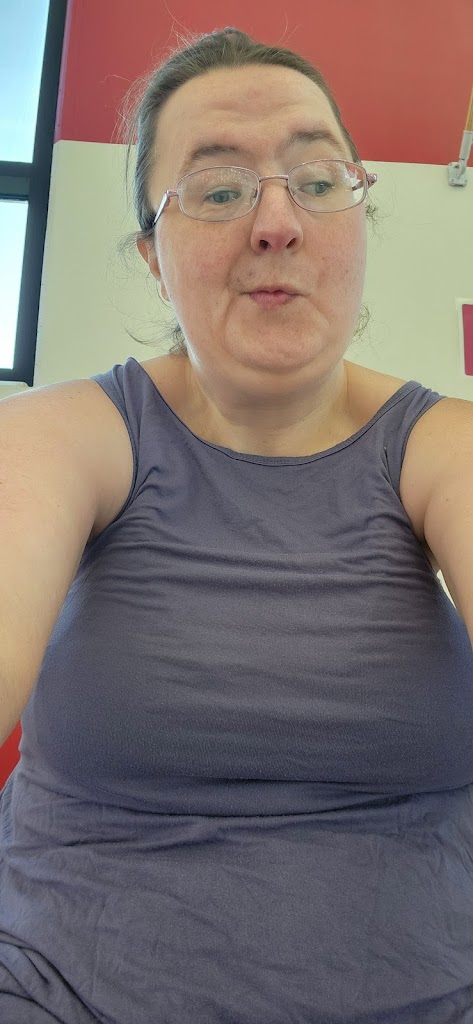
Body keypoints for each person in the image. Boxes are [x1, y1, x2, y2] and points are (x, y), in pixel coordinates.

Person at [1, 25, 473, 1024]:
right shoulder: (61, 436)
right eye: (218, 191)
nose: (276, 222)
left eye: (317, 179)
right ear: (152, 256)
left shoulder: (443, 447)